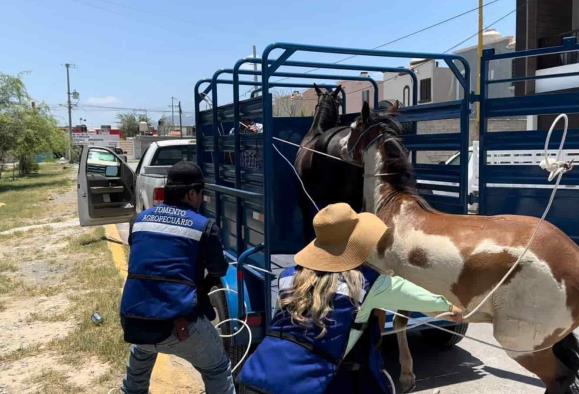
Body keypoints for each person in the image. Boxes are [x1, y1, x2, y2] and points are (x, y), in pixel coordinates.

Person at [238, 203, 464, 394]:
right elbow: (421, 300)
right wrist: (450, 309)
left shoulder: (288, 275)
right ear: (357, 243)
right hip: (303, 386)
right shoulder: (367, 283)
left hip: (257, 373)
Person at [119, 161, 235, 394]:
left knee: (142, 351)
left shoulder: (139, 220)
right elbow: (219, 270)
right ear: (191, 193)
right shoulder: (203, 226)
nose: (201, 199)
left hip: (134, 320)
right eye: (201, 193)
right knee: (217, 369)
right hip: (179, 326)